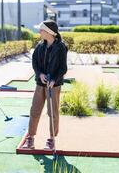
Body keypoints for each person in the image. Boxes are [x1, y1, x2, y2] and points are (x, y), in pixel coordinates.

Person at [22, 19, 68, 150]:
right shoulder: (40, 46)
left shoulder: (61, 48)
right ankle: (30, 139)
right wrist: (39, 74)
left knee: (52, 112)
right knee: (35, 110)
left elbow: (63, 68)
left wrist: (54, 80)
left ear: (49, 32)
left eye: (41, 30)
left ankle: (51, 140)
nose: (39, 32)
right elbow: (35, 63)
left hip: (54, 85)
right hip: (40, 84)